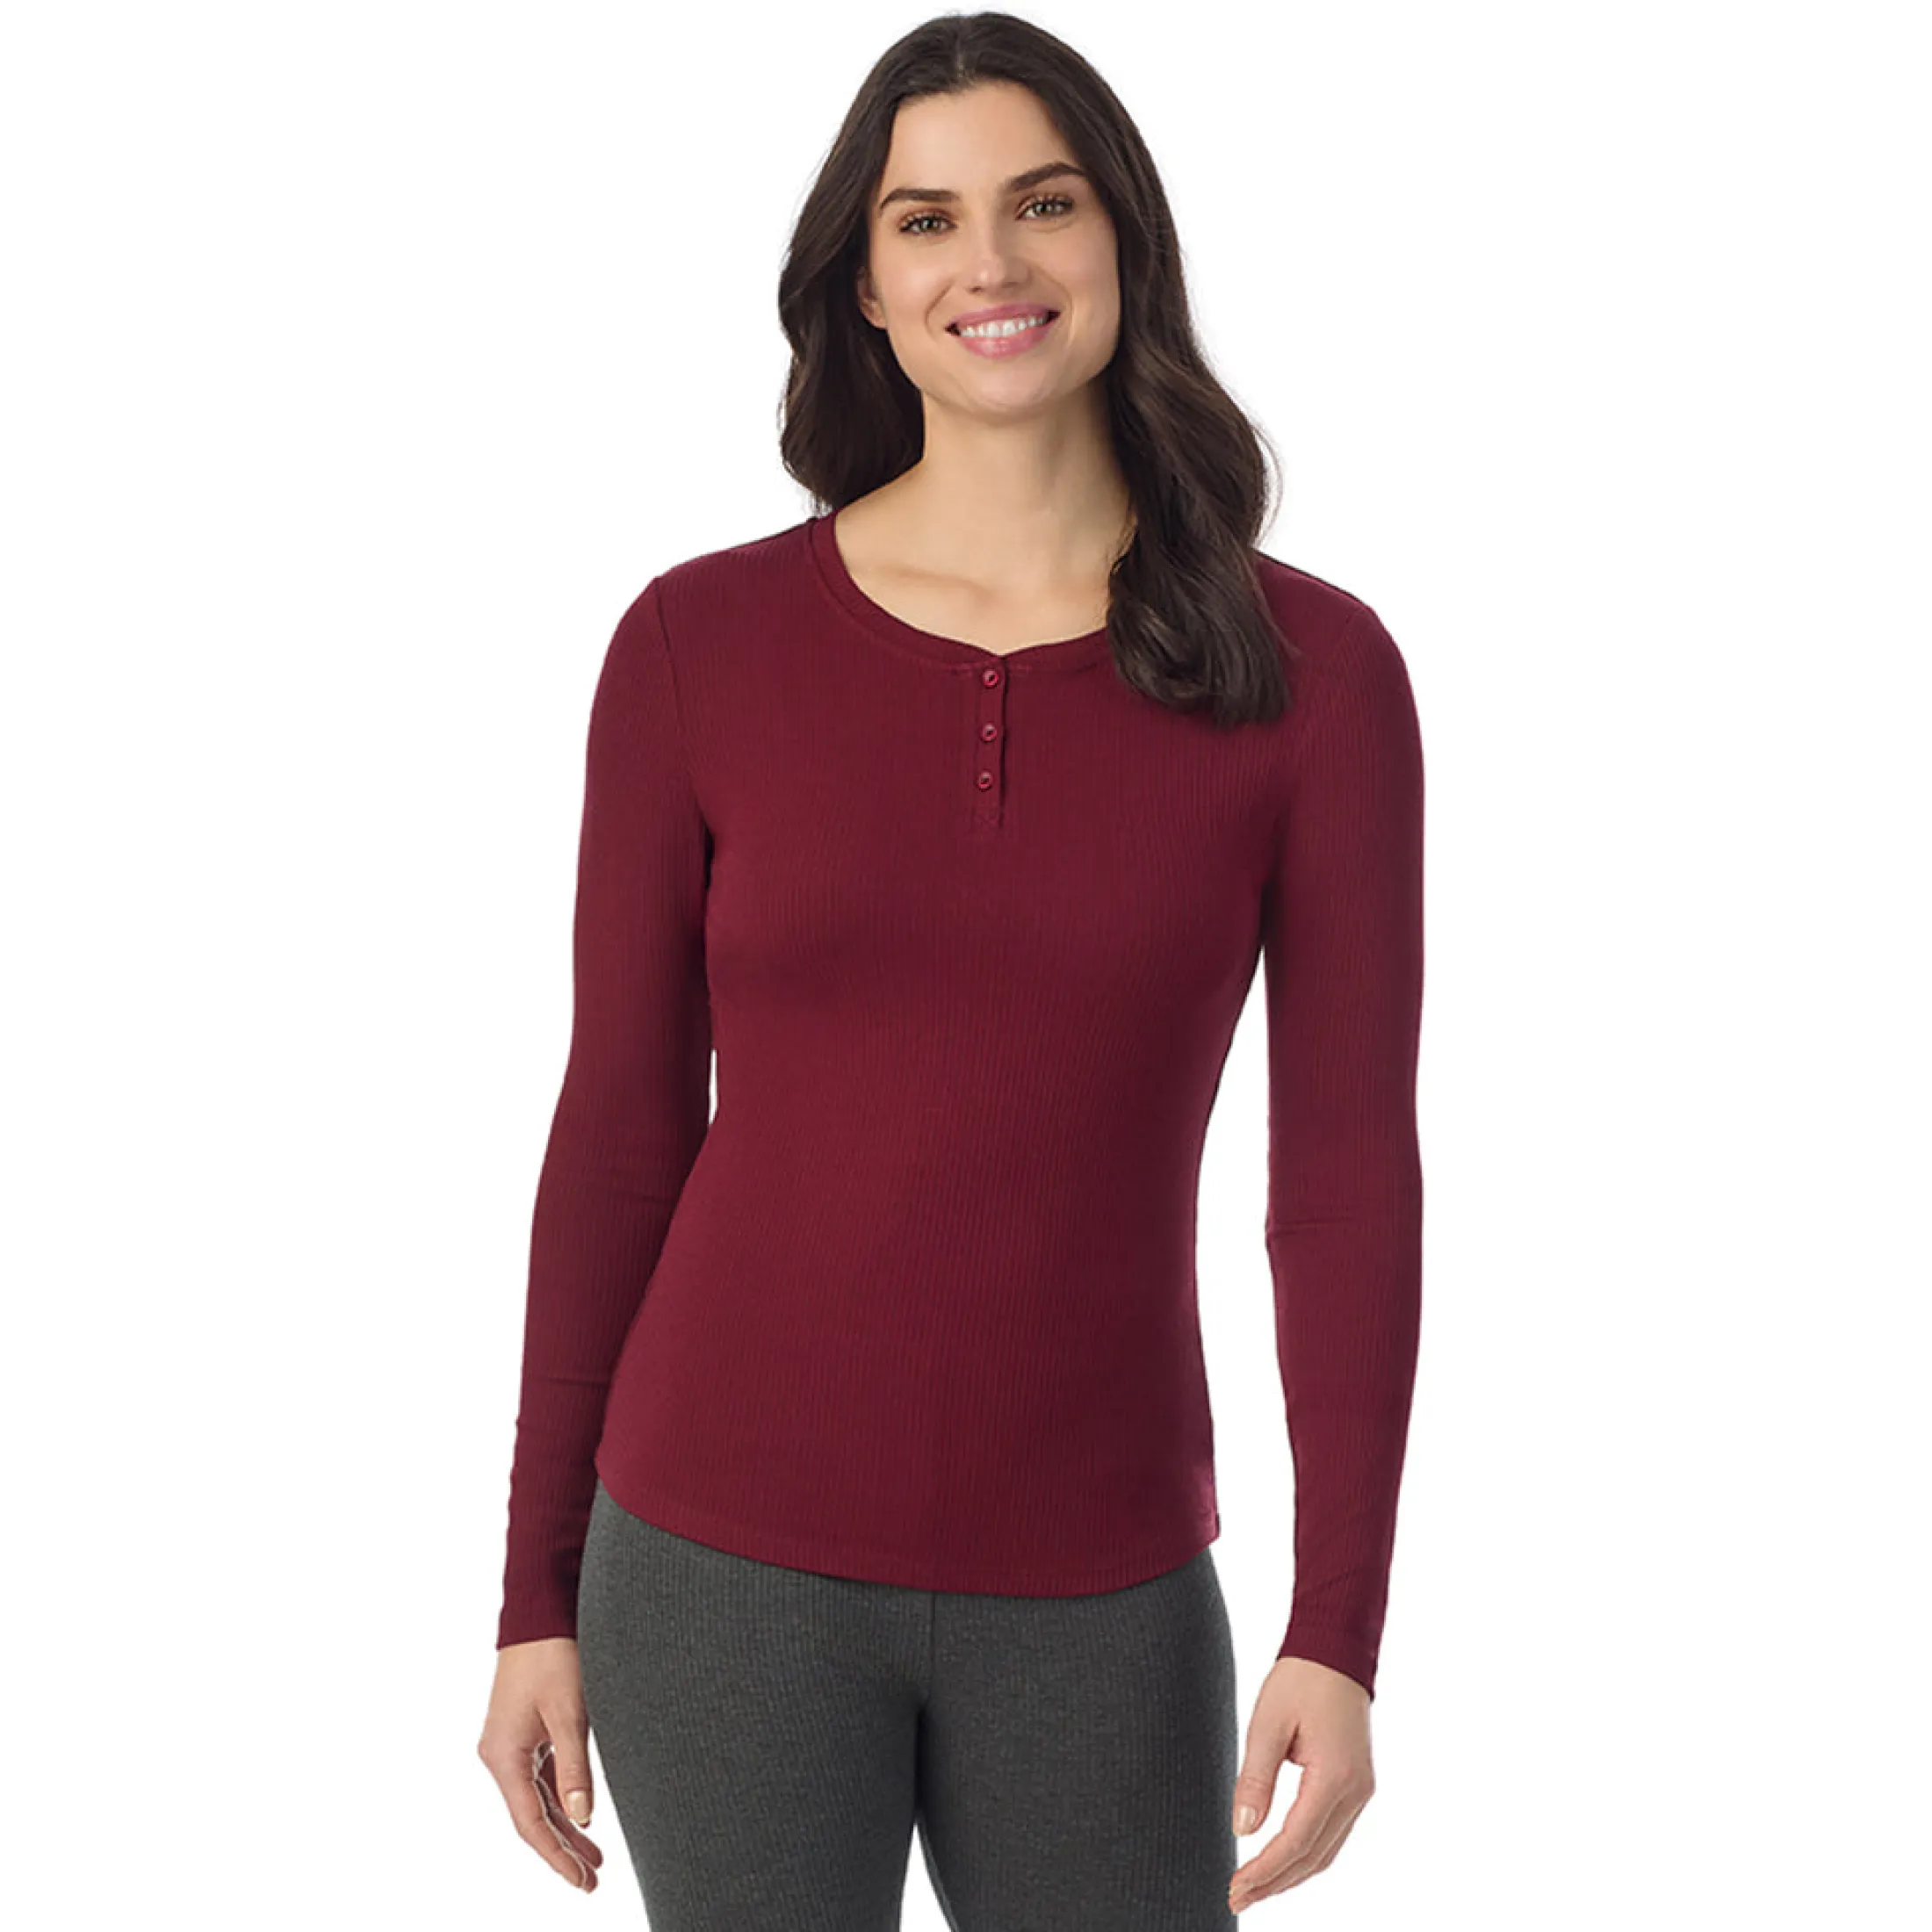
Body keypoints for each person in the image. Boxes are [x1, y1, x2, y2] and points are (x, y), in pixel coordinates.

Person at [476, 14, 1424, 1928]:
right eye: (924, 220)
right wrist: (531, 1593)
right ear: (865, 286)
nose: (988, 262)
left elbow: (1340, 1179)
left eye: (1041, 205)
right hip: (715, 1566)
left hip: (1105, 1588)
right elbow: (622, 1133)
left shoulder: (1314, 677)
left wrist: (1338, 1628)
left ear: (1123, 240)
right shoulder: (695, 647)